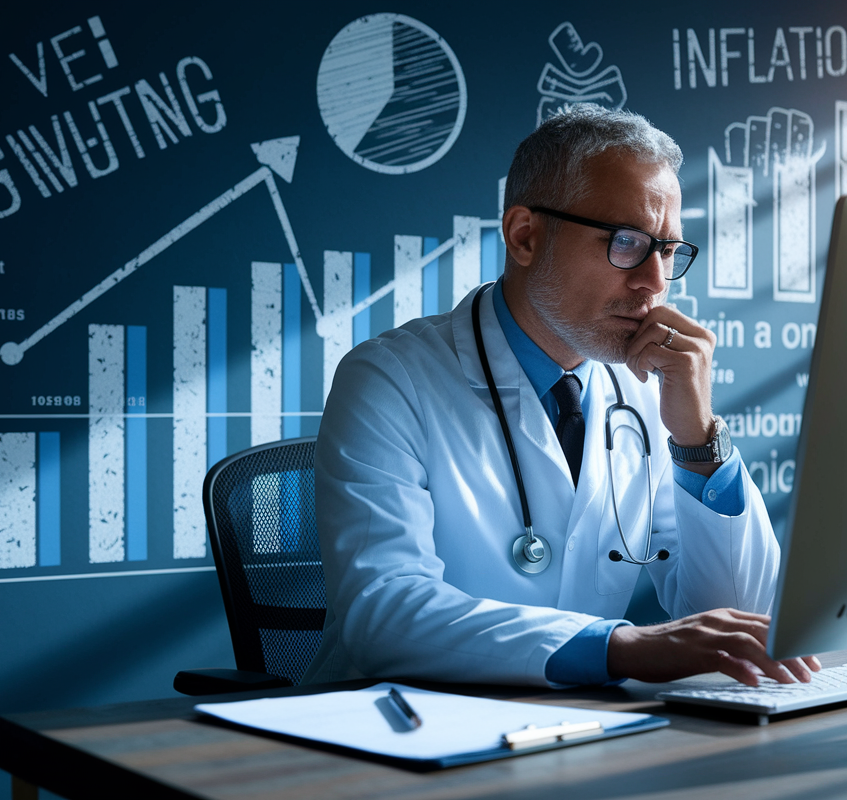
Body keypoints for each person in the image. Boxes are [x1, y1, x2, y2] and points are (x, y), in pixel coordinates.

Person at [301, 104, 820, 688]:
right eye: (626, 242)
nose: (654, 281)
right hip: (393, 738)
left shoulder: (651, 390)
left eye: (668, 251)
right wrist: (619, 649)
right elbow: (384, 613)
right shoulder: (389, 379)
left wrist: (698, 440)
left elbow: (747, 623)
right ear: (525, 236)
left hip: (574, 735)